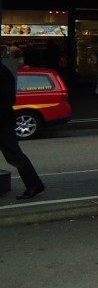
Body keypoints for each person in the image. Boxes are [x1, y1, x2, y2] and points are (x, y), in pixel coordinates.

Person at [1, 62, 46, 200]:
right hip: (4, 120)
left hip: (2, 122)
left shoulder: (2, 73)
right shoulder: (4, 71)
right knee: (14, 155)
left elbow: (7, 99)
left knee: (14, 155)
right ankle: (34, 184)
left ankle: (34, 184)